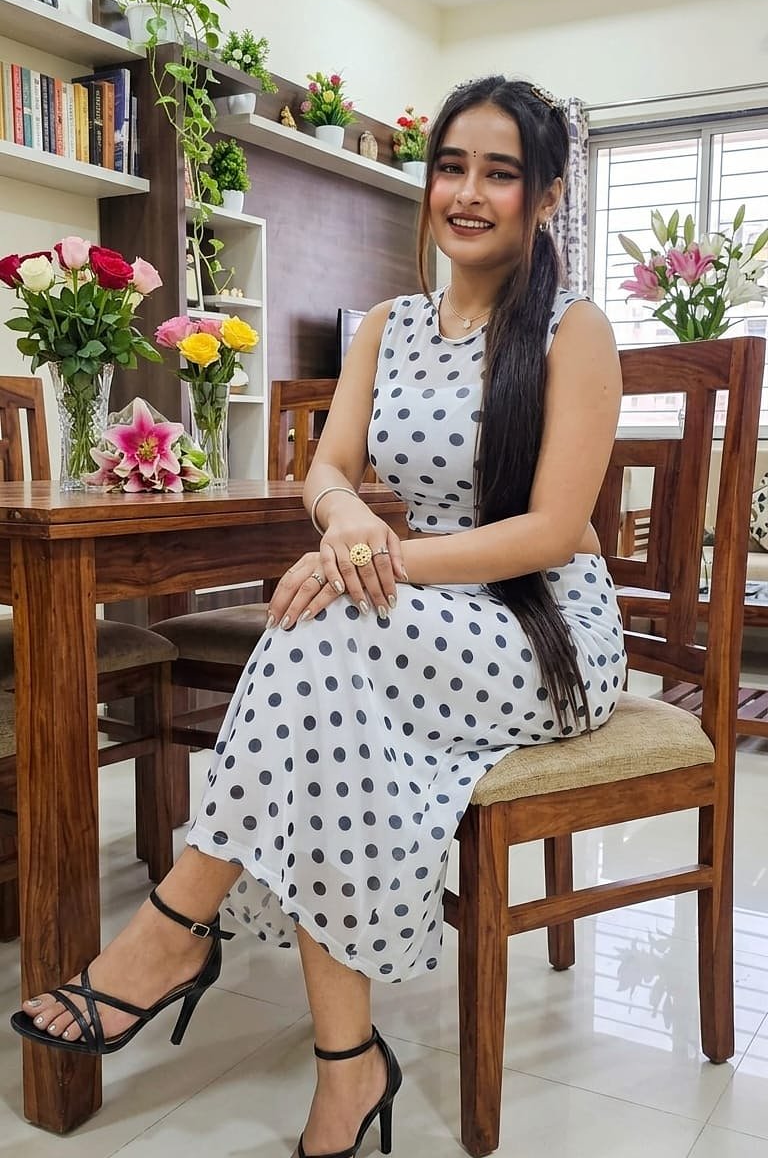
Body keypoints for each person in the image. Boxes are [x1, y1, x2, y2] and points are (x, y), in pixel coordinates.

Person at [11, 75, 626, 1158]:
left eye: (499, 174)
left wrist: (375, 562)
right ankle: (348, 1066)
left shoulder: (574, 331)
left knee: (318, 630)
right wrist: (344, 519)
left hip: (545, 630)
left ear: (543, 197)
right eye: (451, 167)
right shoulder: (387, 326)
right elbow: (328, 465)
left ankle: (174, 928)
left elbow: (548, 531)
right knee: (326, 695)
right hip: (424, 610)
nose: (467, 193)